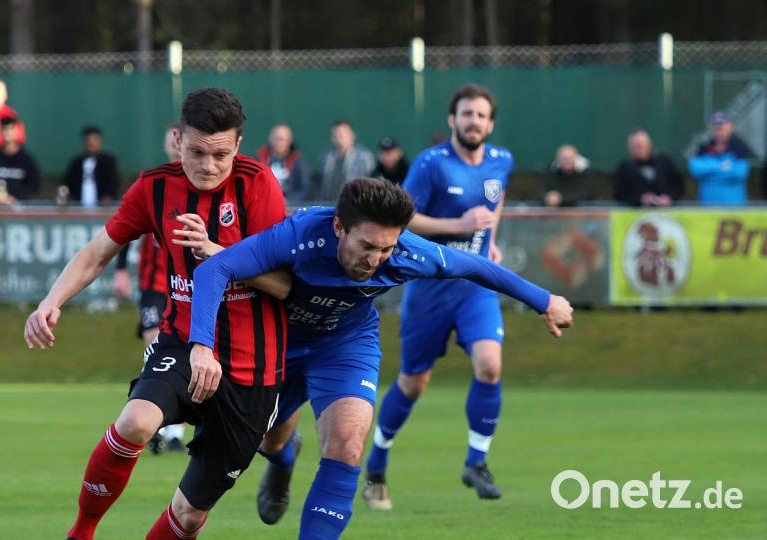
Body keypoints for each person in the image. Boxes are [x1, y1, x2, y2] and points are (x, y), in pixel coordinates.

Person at [188, 178, 573, 539]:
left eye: (387, 248)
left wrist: (545, 301)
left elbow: (475, 266)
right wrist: (202, 346)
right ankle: (283, 460)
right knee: (272, 442)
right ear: (340, 227)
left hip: (345, 345)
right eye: (367, 246)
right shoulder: (299, 236)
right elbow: (215, 268)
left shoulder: (407, 253)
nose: (376, 259)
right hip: (279, 344)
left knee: (348, 442)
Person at [23, 88, 292, 540]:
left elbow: (285, 285)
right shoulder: (155, 187)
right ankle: (81, 531)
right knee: (135, 421)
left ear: (239, 147)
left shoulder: (258, 184)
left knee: (189, 515)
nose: (208, 166)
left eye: (221, 154)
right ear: (177, 138)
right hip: (182, 345)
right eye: (197, 152)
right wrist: (51, 302)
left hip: (252, 370)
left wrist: (217, 255)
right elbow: (97, 253)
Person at [365, 84, 517, 507]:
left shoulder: (502, 160)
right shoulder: (432, 164)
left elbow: (496, 198)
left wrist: (490, 241)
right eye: (467, 113)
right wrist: (459, 226)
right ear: (453, 119)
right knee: (413, 383)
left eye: (482, 115)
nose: (474, 121)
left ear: (490, 123)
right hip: (430, 290)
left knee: (490, 365)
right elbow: (404, 219)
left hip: (475, 288)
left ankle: (476, 461)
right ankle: (376, 463)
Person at [113, 121, 184, 454]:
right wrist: (121, 270)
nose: (175, 145)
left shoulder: (200, 187)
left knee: (184, 353)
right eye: (171, 140)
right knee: (155, 345)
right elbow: (125, 230)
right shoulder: (153, 184)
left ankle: (172, 432)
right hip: (154, 284)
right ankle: (154, 417)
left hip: (184, 286)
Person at [688, 111, 752, 205]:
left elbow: (740, 173)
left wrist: (709, 171)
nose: (719, 130)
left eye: (722, 127)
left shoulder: (740, 147)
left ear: (730, 127)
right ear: (711, 128)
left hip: (734, 206)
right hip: (707, 205)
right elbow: (695, 169)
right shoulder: (703, 147)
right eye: (716, 127)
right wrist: (722, 166)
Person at [613, 129, 683, 208]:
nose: (639, 149)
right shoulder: (625, 167)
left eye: (641, 145)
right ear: (629, 147)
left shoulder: (664, 163)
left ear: (649, 145)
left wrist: (669, 197)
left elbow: (678, 186)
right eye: (635, 146)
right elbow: (620, 194)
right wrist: (640, 199)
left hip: (665, 214)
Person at [312, 120, 375, 202]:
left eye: (342, 134)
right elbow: (317, 184)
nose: (339, 137)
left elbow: (371, 184)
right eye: (335, 134)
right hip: (328, 205)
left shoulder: (364, 158)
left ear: (352, 135)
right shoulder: (326, 157)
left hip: (354, 206)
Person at [62, 126, 120, 207]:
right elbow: (68, 184)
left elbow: (114, 183)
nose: (91, 143)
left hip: (102, 206)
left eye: (95, 140)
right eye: (88, 140)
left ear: (100, 142)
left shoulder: (109, 162)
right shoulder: (76, 163)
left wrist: (108, 197)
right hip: (78, 205)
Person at [255, 124, 309, 203]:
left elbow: (303, 188)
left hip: (289, 205)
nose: (279, 143)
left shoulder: (297, 160)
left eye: (282, 139)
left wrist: (288, 201)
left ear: (289, 141)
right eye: (276, 139)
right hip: (263, 203)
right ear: (270, 139)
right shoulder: (259, 158)